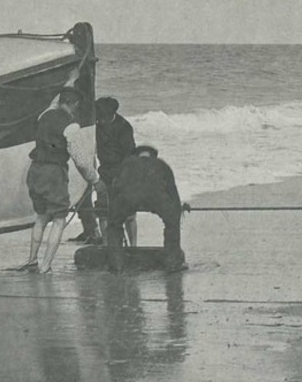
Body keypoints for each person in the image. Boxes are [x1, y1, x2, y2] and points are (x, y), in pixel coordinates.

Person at [21, 88, 97, 273]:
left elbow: (55, 102)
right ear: (73, 104)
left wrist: (70, 80)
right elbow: (80, 159)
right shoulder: (70, 126)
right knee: (59, 220)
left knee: (41, 218)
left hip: (35, 170)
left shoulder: (44, 115)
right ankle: (45, 266)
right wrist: (93, 178)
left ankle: (32, 260)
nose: (75, 112)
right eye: (76, 107)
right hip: (53, 173)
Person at [104, 146, 187, 273]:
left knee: (114, 225)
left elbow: (115, 188)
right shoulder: (162, 165)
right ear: (153, 156)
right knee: (171, 223)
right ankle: (173, 263)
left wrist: (114, 211)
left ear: (137, 155)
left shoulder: (126, 164)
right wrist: (176, 210)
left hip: (128, 198)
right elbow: (172, 192)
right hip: (156, 198)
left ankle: (116, 265)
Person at [75, 95, 137, 245]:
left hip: (123, 171)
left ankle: (134, 246)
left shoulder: (124, 127)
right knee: (102, 212)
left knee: (129, 214)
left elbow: (130, 155)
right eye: (99, 117)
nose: (100, 120)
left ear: (111, 114)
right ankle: (107, 245)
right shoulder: (97, 125)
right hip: (104, 172)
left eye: (103, 117)